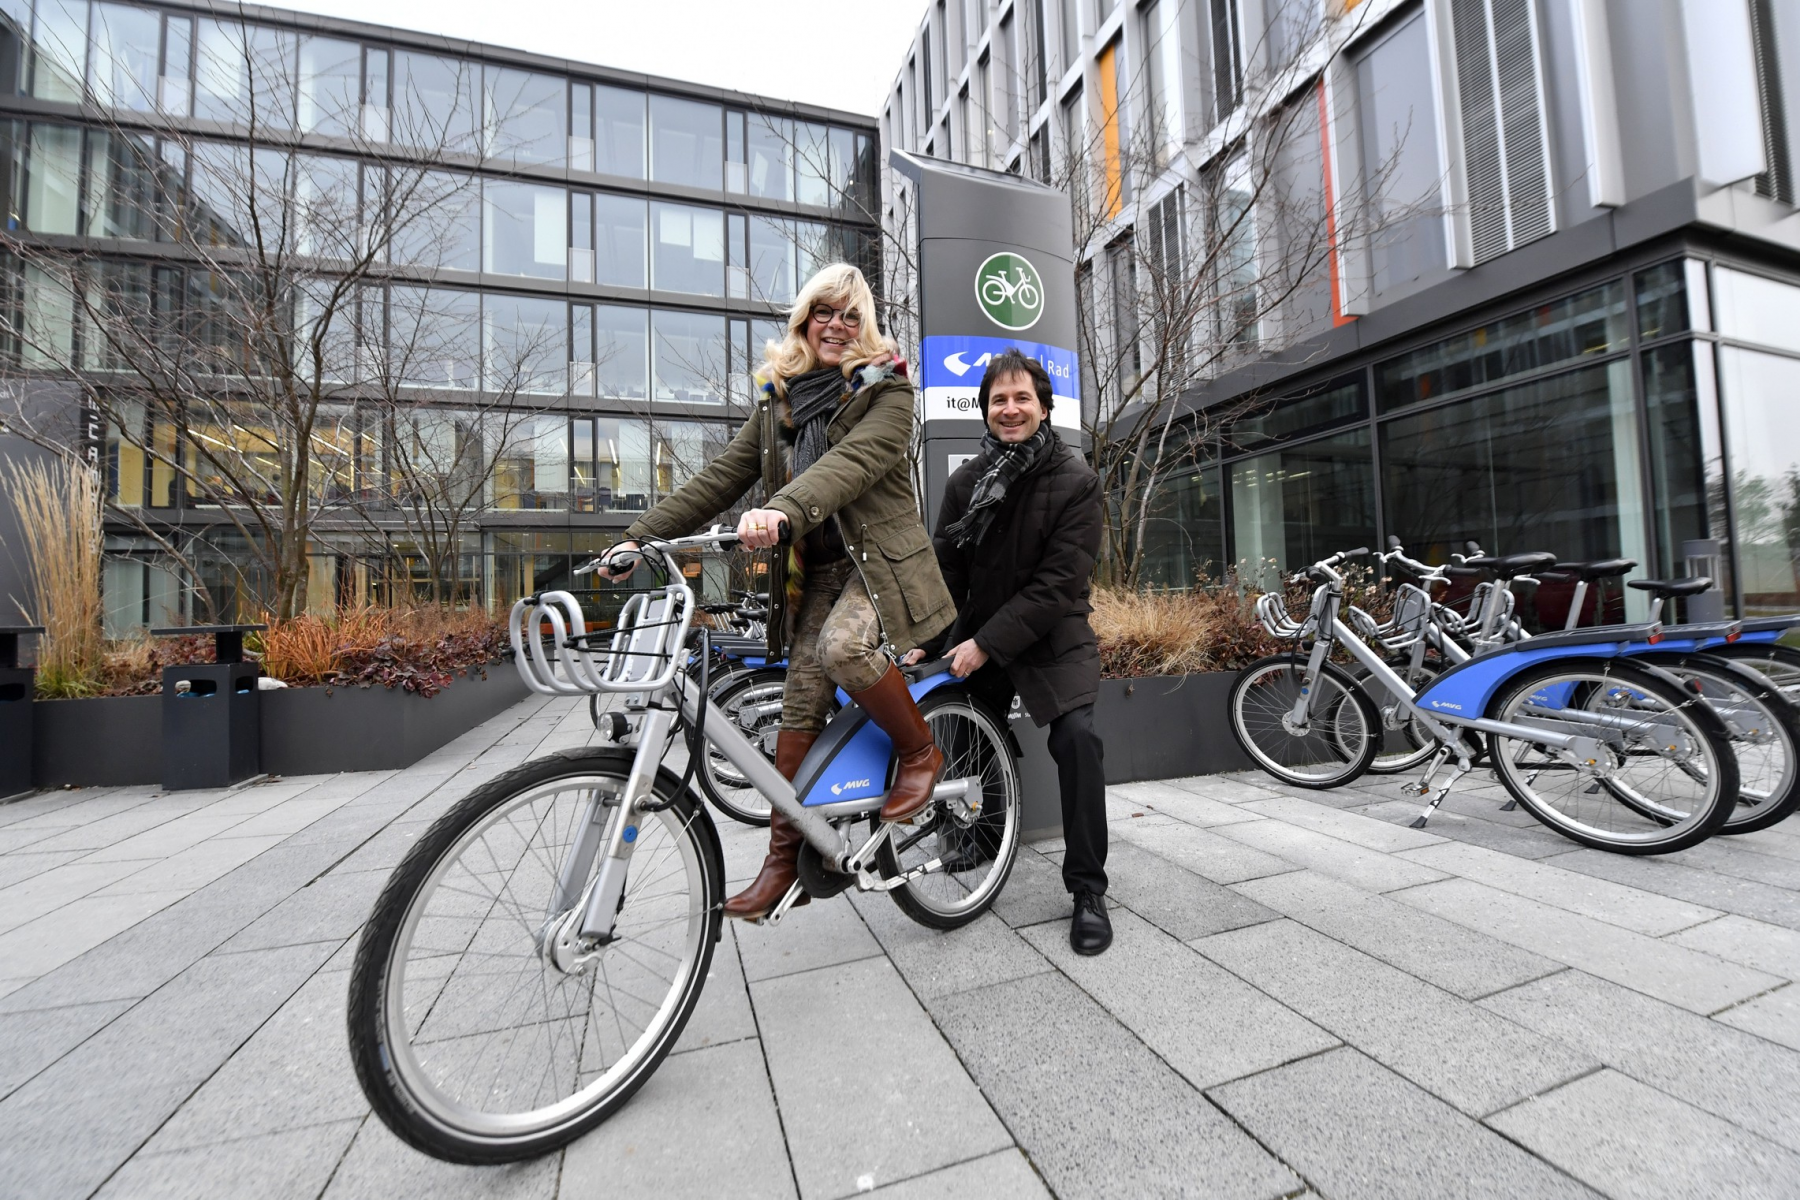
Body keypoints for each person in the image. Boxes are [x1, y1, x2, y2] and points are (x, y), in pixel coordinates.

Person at [596, 263, 955, 921]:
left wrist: (782, 509)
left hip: (876, 566)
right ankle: (783, 862)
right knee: (798, 704)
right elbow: (720, 478)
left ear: (866, 325)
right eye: (825, 312)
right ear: (803, 321)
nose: (838, 326)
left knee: (845, 649)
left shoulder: (890, 393)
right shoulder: (779, 405)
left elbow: (850, 468)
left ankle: (921, 751)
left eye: (852, 315)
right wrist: (639, 537)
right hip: (816, 576)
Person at [906, 349, 1111, 954]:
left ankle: (1088, 889)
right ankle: (981, 835)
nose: (1011, 409)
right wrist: (928, 644)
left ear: (1044, 407)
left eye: (1023, 398)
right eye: (1000, 399)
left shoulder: (1076, 480)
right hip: (980, 630)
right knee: (959, 720)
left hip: (1054, 633)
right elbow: (945, 573)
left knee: (1078, 739)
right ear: (985, 411)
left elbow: (1057, 587)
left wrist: (985, 643)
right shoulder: (966, 482)